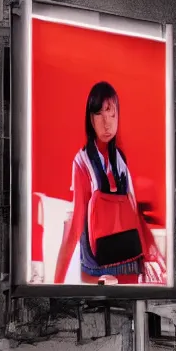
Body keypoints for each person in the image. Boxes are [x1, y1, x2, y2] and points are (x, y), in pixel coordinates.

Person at [54, 81, 166, 285]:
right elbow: (77, 223)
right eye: (100, 115)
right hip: (98, 263)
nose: (107, 123)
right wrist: (56, 283)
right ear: (90, 118)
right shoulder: (83, 162)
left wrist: (155, 254)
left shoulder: (121, 160)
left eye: (112, 114)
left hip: (128, 255)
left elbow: (134, 212)